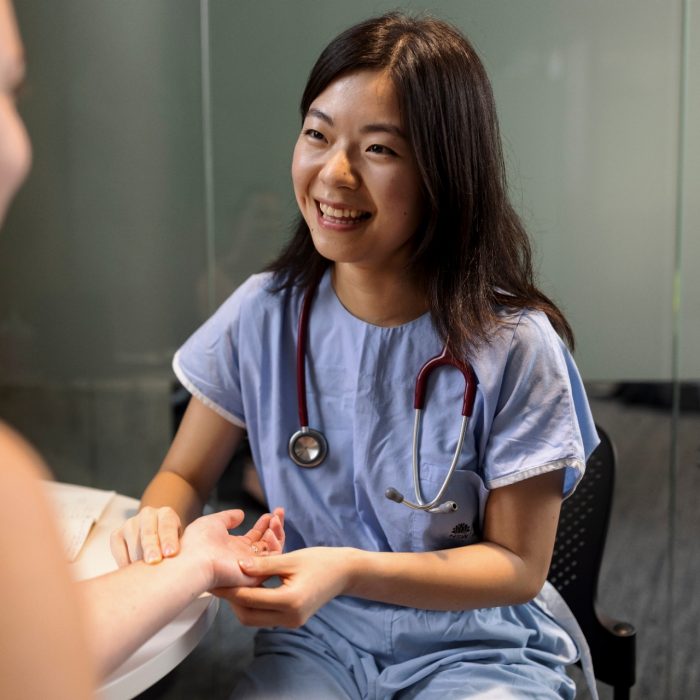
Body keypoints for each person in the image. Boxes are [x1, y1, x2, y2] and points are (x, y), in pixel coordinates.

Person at [113, 11, 600, 699]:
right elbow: (183, 476)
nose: (334, 174)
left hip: (473, 651)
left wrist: (346, 569)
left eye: (379, 150)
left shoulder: (515, 345)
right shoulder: (264, 314)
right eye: (317, 134)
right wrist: (160, 515)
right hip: (316, 641)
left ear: (446, 171)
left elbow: (518, 566)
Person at [0, 2, 284, 698]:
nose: (18, 146)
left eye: (14, 92)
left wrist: (191, 565)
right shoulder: (258, 304)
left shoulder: (511, 340)